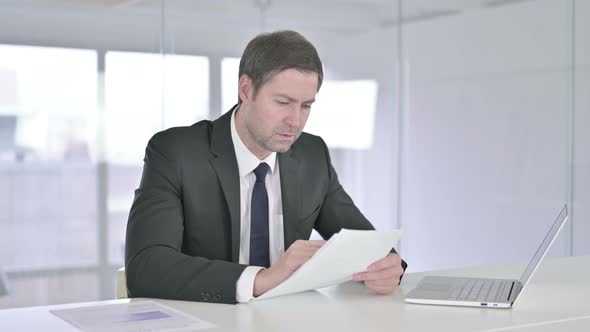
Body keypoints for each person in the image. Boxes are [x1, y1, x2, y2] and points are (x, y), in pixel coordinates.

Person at [125, 30, 407, 304]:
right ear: (246, 90)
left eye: (306, 106)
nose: (295, 121)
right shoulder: (177, 152)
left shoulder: (312, 155)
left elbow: (365, 243)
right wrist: (263, 279)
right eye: (283, 102)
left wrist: (389, 266)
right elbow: (146, 268)